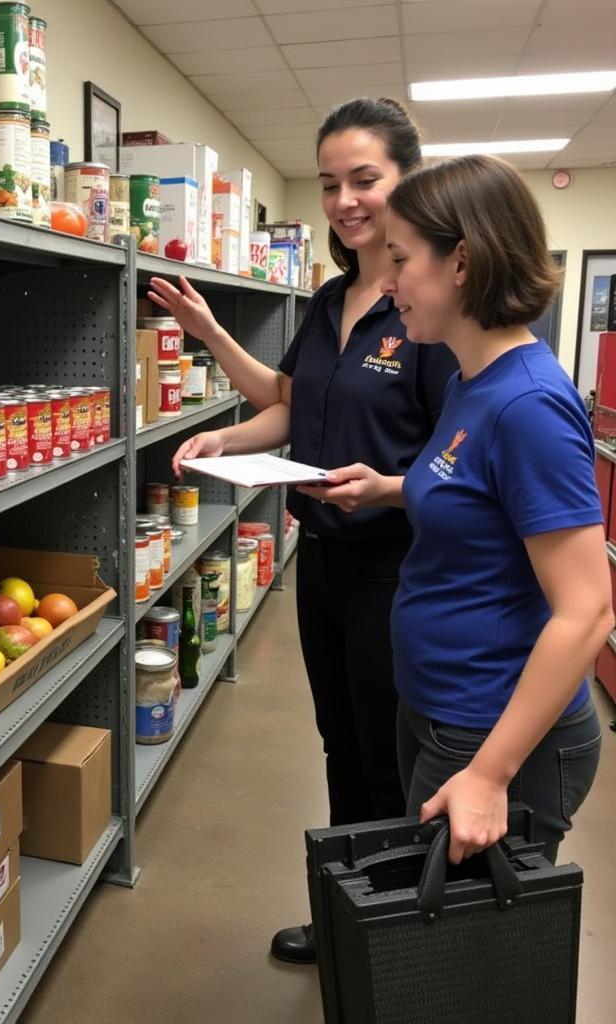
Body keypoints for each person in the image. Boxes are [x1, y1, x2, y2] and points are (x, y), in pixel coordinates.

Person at [151, 97, 457, 964]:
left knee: (390, 758)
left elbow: (458, 456)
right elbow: (287, 409)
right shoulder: (328, 301)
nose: (345, 201)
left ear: (408, 180)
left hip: (397, 569)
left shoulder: (427, 305)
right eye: (330, 184)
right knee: (339, 743)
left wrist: (391, 489)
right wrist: (218, 405)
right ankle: (344, 914)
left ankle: (395, 936)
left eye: (365, 179)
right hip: (319, 558)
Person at [297, 154, 609, 866]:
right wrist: (383, 486)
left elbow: (588, 609)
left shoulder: (528, 404)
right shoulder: (474, 380)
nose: (386, 280)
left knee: (460, 963)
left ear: (461, 262)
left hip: (491, 725)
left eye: (401, 259)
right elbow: (476, 494)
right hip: (438, 703)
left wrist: (493, 773)